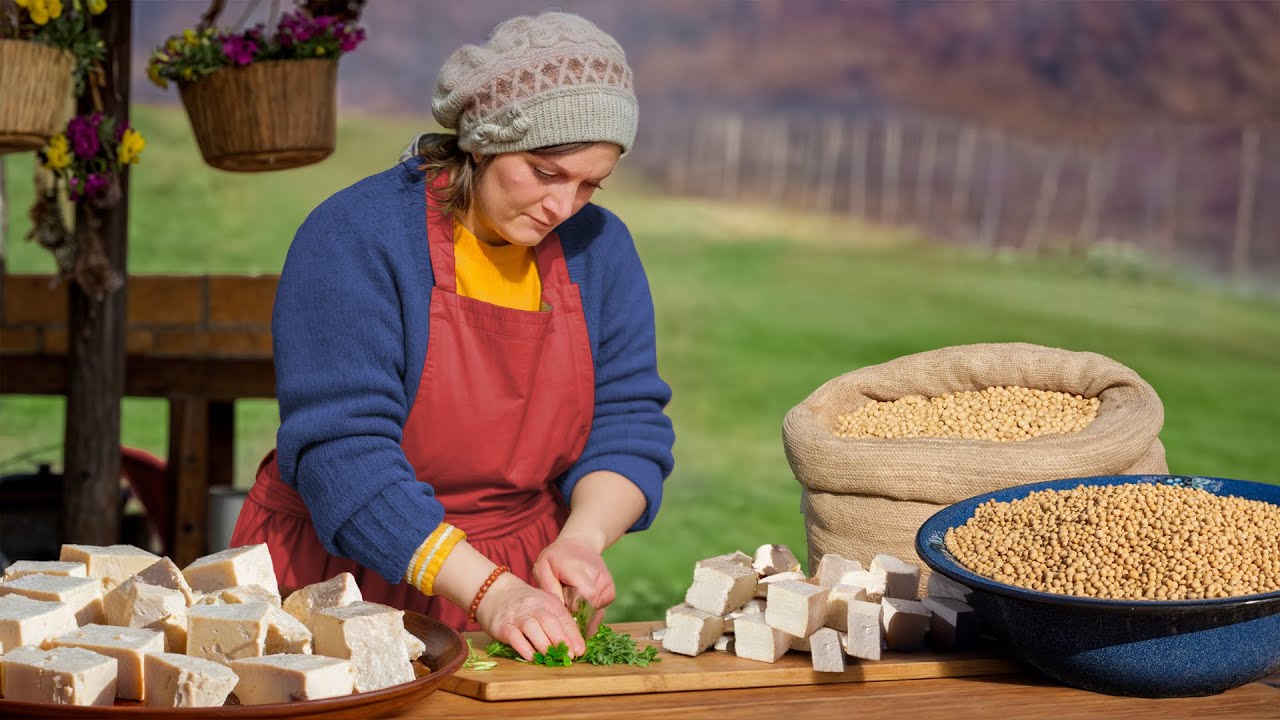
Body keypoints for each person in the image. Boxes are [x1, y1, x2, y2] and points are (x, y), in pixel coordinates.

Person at [230, 11, 675, 661]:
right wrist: (489, 591)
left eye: (589, 184)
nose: (564, 206)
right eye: (546, 173)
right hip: (342, 574)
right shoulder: (359, 237)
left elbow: (628, 420)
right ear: (485, 140)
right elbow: (345, 457)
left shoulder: (599, 250)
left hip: (517, 577)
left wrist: (581, 538)